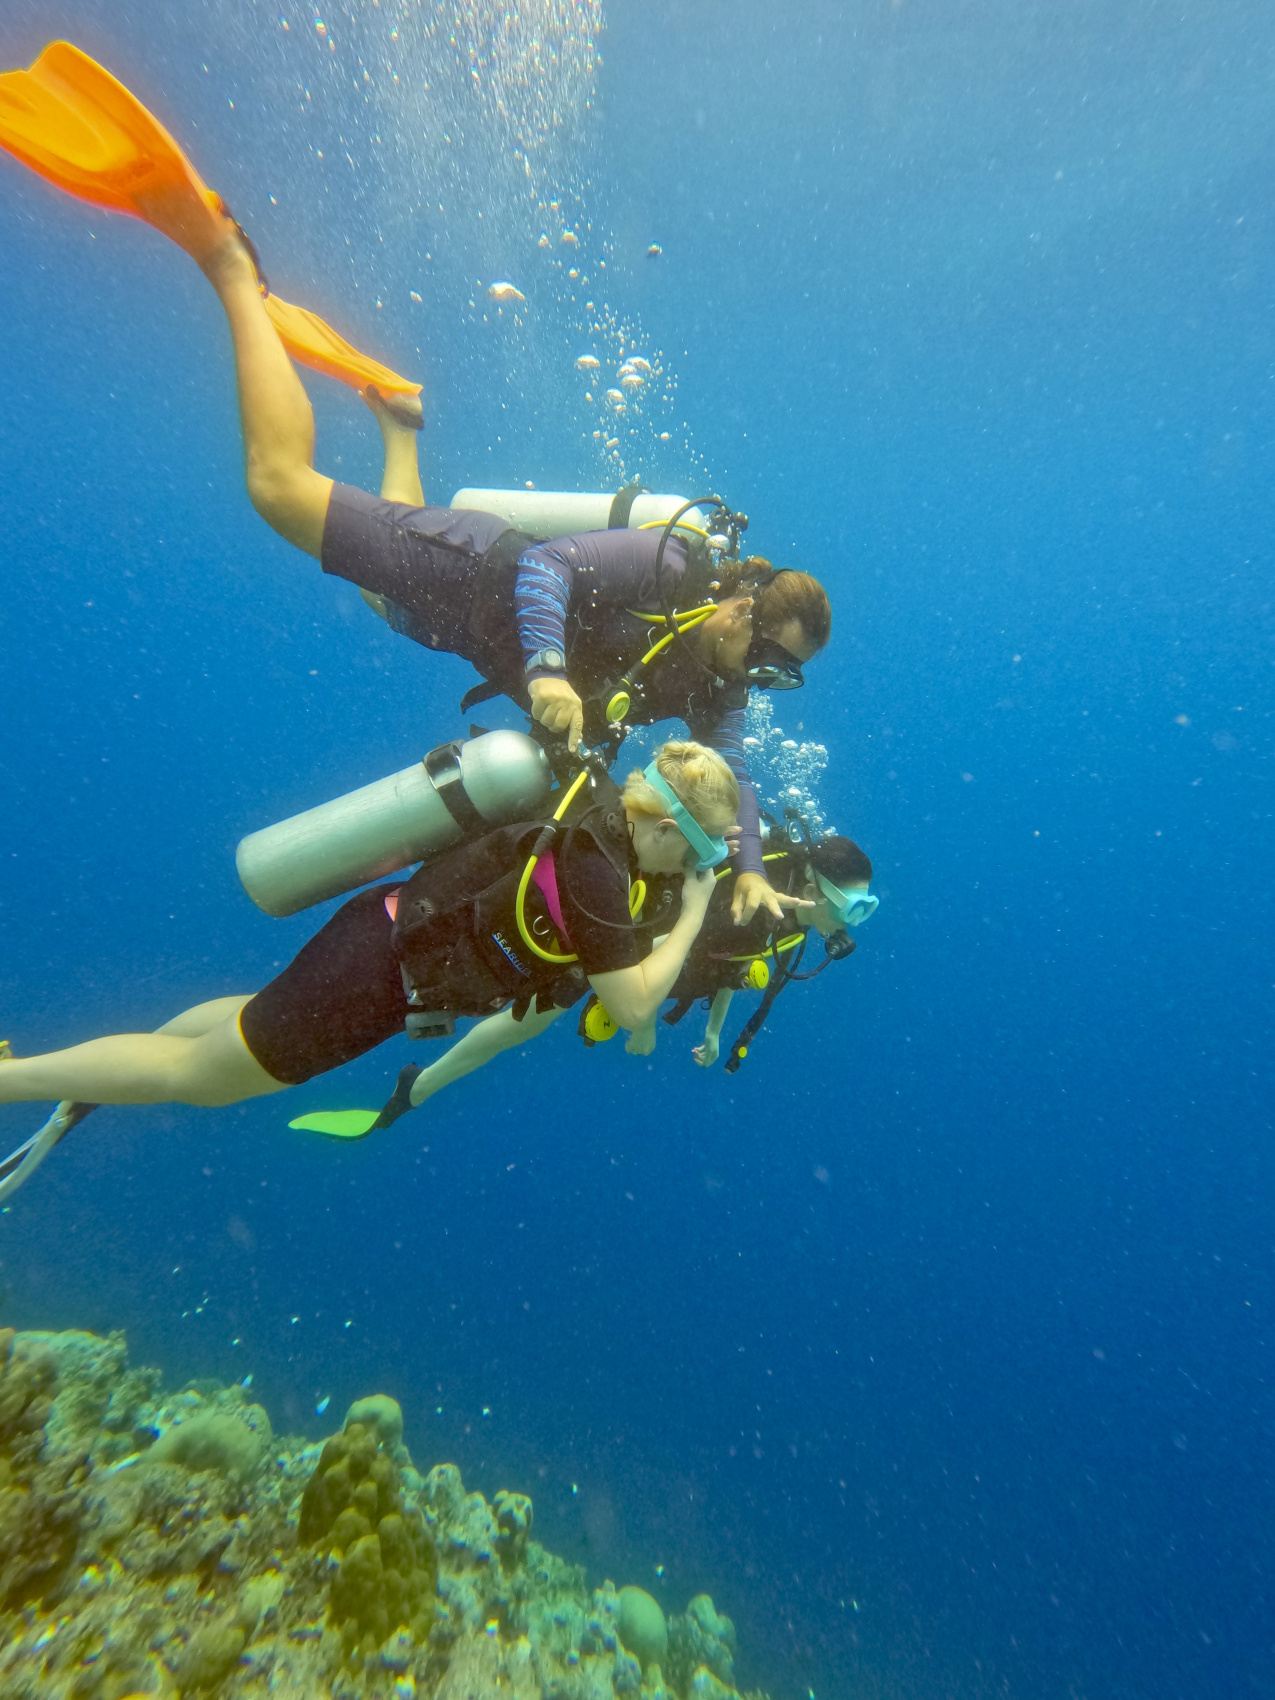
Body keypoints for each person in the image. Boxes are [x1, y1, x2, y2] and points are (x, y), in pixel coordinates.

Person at [0, 41, 829, 929]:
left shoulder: (720, 692)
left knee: (370, 598)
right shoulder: (676, 573)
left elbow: (735, 776)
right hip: (474, 574)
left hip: (469, 632)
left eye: (786, 674)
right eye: (773, 656)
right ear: (740, 610)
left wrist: (745, 865)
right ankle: (228, 264)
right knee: (279, 488)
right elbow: (548, 567)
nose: (768, 679)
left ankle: (397, 418)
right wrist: (550, 673)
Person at [0, 745, 738, 1159]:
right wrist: (695, 915)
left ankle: (68, 1077)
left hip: (382, 947)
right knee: (196, 1079)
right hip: (377, 976)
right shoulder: (600, 875)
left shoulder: (594, 814)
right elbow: (633, 1001)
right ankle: (14, 1080)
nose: (694, 870)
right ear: (668, 828)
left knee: (247, 1025)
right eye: (701, 850)